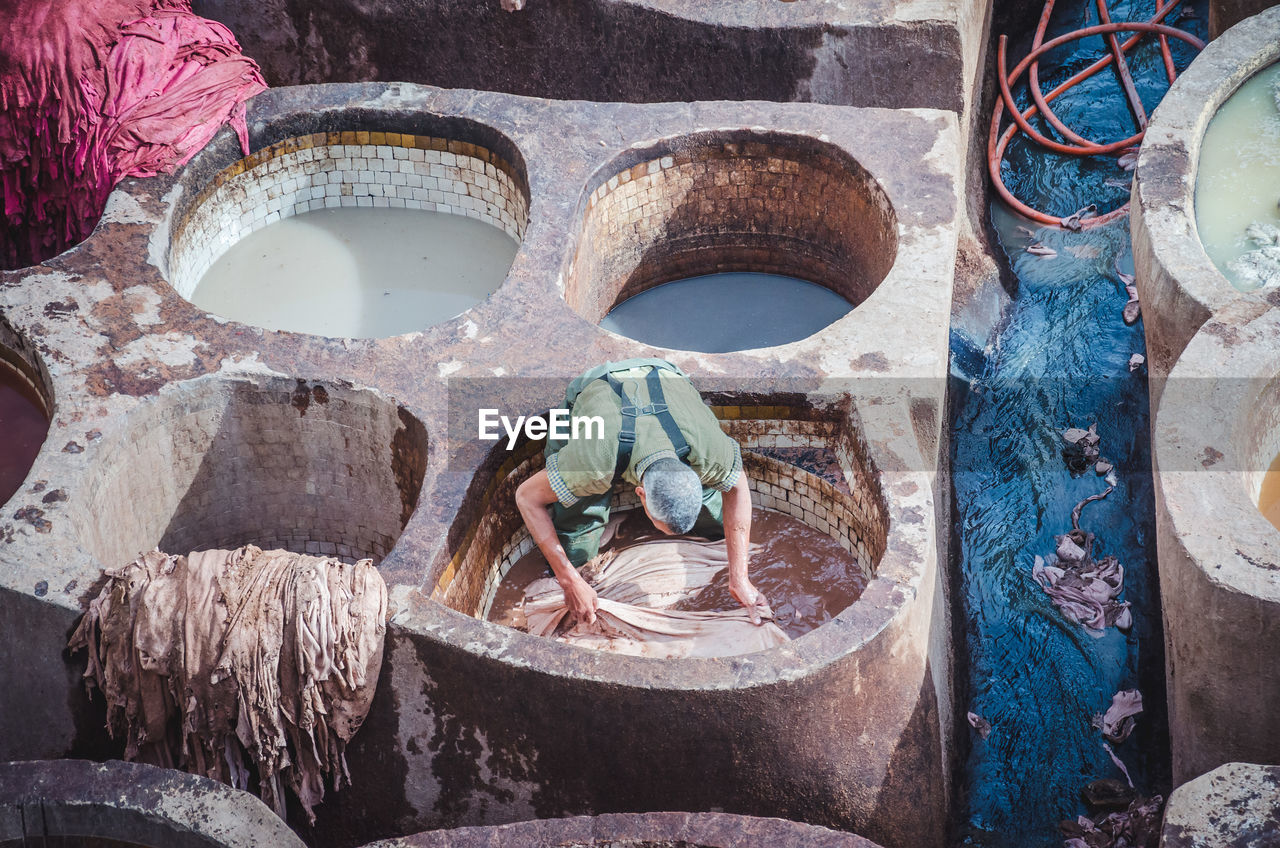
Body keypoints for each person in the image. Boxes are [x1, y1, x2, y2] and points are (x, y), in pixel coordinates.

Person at [515, 358, 766, 626]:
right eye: (658, 525)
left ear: (696, 476)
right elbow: (526, 497)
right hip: (598, 388)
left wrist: (740, 576)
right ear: (640, 494)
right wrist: (569, 580)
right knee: (577, 536)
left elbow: (737, 487)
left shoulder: (708, 453)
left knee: (717, 524)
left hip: (666, 378)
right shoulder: (592, 464)